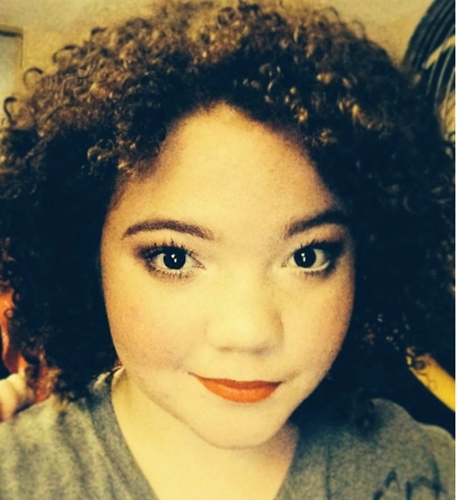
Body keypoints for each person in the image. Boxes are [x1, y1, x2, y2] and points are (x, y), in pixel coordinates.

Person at [0, 1, 454, 498]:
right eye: (174, 258)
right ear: (86, 257)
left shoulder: (427, 467)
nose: (249, 333)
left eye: (307, 257)